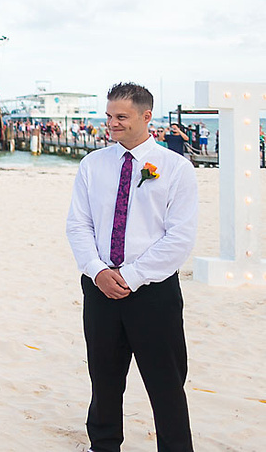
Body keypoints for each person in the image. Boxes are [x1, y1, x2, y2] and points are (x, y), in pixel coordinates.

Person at [66, 83, 197, 452]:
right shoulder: (92, 164)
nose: (112, 124)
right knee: (104, 377)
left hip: (153, 291)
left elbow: (180, 238)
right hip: (99, 286)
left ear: (146, 117)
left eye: (121, 117)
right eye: (109, 116)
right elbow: (79, 224)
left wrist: (131, 276)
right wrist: (97, 270)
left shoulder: (175, 168)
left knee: (166, 381)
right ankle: (103, 444)